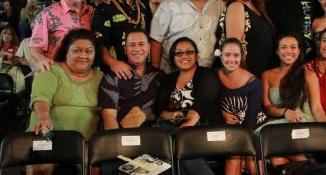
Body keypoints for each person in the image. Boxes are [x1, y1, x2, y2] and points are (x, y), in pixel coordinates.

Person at [26, 29, 103, 175]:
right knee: (39, 170)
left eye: (89, 51)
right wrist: (43, 116)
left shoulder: (102, 78)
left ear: (95, 55)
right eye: (77, 50)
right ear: (66, 52)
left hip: (85, 142)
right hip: (49, 139)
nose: (83, 55)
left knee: (93, 170)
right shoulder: (51, 70)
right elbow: (41, 97)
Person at [155, 37, 223, 175]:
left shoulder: (207, 74)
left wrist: (178, 139)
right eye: (178, 53)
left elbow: (199, 107)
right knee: (169, 160)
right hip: (176, 133)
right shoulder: (168, 79)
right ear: (173, 57)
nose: (184, 56)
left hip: (205, 134)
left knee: (181, 153)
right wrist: (171, 115)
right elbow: (159, 109)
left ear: (196, 55)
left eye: (189, 52)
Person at [260, 32, 326, 168]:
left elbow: (317, 107)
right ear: (277, 51)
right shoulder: (266, 75)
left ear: (299, 51)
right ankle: (310, 167)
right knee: (275, 157)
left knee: (271, 140)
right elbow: (267, 106)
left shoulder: (308, 75)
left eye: (293, 47)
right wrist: (285, 112)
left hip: (302, 121)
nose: (288, 51)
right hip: (281, 121)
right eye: (284, 47)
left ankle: (310, 167)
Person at [150, 0, 224, 74]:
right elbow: (156, 39)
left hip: (207, 76)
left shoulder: (219, 4)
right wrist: (155, 72)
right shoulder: (169, 2)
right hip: (172, 75)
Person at [92, 0, 152, 79]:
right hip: (117, 75)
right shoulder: (103, 8)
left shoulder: (144, 4)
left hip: (145, 74)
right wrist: (113, 63)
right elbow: (98, 43)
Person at [215, 0, 275, 77]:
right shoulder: (236, 7)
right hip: (247, 78)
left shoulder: (254, 5)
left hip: (261, 75)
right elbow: (233, 52)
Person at [98, 29, 165, 129]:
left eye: (141, 44)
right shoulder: (113, 76)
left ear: (149, 47)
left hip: (155, 137)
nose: (137, 49)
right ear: (125, 49)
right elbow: (109, 116)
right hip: (123, 137)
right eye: (132, 45)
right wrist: (117, 140)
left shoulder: (160, 76)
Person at [30, 0, 94, 73]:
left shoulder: (93, 13)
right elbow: (35, 47)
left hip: (86, 75)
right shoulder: (47, 14)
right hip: (57, 74)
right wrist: (42, 59)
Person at [217, 38, 263, 175]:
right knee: (232, 160)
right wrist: (222, 113)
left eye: (236, 55)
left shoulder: (253, 83)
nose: (231, 59)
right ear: (221, 56)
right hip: (228, 129)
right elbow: (209, 104)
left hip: (252, 127)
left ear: (242, 57)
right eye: (227, 55)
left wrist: (245, 151)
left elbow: (251, 120)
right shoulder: (213, 76)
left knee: (253, 160)